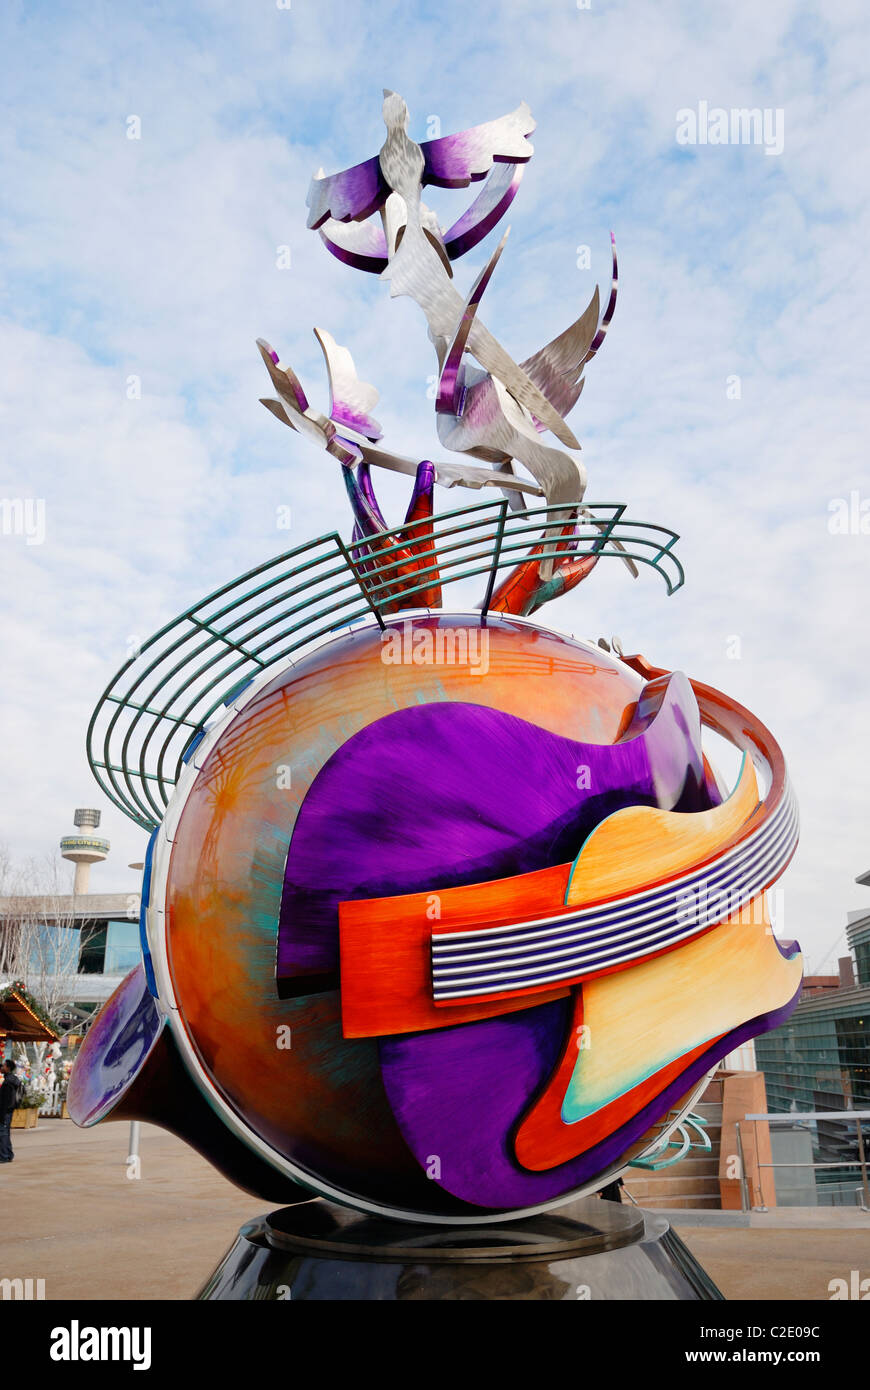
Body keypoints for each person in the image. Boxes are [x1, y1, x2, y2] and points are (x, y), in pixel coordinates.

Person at [0, 1058, 22, 1163]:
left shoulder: (8, 1082)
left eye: (3, 1066)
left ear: (8, 1068)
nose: (2, 1067)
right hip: (9, 1111)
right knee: (6, 1133)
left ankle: (4, 1156)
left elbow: (6, 1100)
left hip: (5, 1111)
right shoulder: (12, 1079)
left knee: (3, 1133)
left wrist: (2, 1113)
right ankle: (9, 1154)